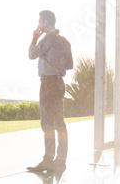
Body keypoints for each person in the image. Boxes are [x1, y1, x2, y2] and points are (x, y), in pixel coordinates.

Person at [27, 10, 73, 173]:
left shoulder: (48, 38)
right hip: (60, 83)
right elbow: (69, 65)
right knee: (59, 122)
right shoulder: (65, 41)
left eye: (40, 22)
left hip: (48, 83)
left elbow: (32, 54)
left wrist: (34, 37)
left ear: (46, 22)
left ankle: (48, 160)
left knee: (47, 123)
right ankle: (60, 161)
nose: (39, 25)